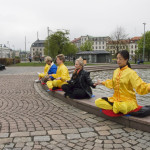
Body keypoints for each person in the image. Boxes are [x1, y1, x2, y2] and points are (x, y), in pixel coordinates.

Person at [95, 50, 150, 115]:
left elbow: (140, 86)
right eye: (117, 58)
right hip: (116, 100)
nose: (118, 60)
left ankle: (116, 106)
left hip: (128, 101)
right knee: (98, 102)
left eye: (120, 59)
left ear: (126, 59)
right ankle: (115, 106)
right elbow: (112, 83)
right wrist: (101, 82)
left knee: (121, 107)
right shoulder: (116, 71)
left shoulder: (131, 73)